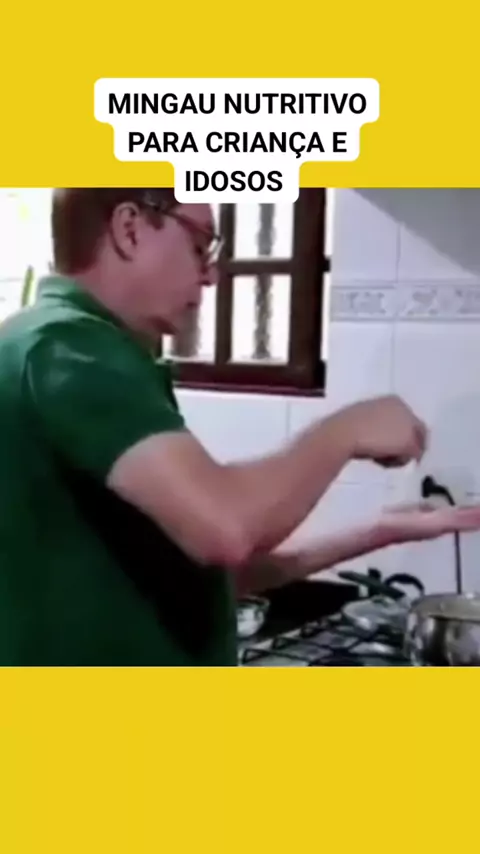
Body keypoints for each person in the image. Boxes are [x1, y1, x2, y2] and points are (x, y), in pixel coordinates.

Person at [1, 187, 479, 666]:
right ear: (130, 229)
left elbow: (199, 576)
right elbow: (227, 529)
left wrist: (380, 530)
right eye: (199, 245)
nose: (211, 275)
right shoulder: (68, 349)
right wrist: (347, 429)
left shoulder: (61, 346)